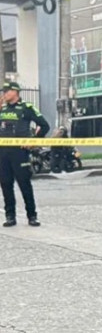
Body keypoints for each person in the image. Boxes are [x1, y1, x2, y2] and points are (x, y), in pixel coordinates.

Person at [0, 82, 50, 227]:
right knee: (5, 184)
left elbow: (44, 125)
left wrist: (33, 141)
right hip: (2, 152)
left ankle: (32, 216)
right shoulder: (1, 108)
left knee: (24, 184)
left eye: (7, 91)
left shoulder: (26, 108)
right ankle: (10, 216)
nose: (5, 93)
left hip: (19, 152)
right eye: (4, 91)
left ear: (16, 92)